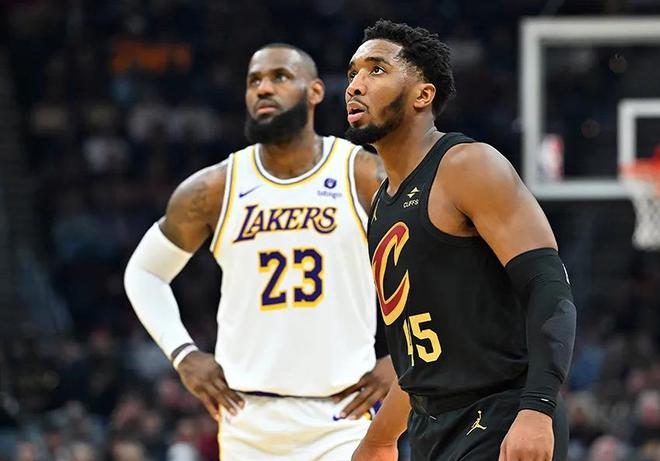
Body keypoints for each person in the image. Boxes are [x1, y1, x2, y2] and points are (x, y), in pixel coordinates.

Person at [124, 43, 395, 461]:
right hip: (246, 420)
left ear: (315, 92)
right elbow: (144, 273)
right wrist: (183, 354)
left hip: (342, 417)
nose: (263, 89)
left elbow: (436, 264)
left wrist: (404, 359)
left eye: (280, 77)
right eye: (254, 81)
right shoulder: (215, 187)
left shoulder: (363, 173)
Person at [345, 20, 576, 461]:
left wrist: (537, 408)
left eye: (376, 70)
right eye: (352, 73)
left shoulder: (467, 166)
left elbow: (549, 287)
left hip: (500, 412)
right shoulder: (382, 205)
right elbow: (424, 357)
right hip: (431, 429)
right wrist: (379, 438)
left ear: (422, 95)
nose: (355, 85)